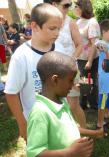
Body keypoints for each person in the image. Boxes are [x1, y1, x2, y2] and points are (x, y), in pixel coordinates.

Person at [4, 3, 64, 141]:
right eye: (52, 28)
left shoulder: (59, 47)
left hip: (60, 118)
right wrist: (22, 124)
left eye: (59, 29)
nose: (57, 33)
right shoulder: (21, 56)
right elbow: (11, 93)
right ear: (34, 26)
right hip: (36, 122)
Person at [27, 51, 104, 157]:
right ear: (55, 80)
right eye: (71, 80)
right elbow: (35, 153)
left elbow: (68, 128)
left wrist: (93, 133)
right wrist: (69, 153)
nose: (73, 85)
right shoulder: (40, 113)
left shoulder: (62, 101)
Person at [47, 0, 86, 128]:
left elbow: (80, 45)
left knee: (73, 105)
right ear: (54, 5)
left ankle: (85, 132)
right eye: (66, 5)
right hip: (51, 70)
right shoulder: (45, 22)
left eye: (70, 5)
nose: (69, 8)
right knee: (56, 105)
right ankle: (64, 133)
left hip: (69, 69)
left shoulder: (71, 22)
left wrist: (71, 60)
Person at [74, 0, 100, 109]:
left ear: (83, 8)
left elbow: (94, 44)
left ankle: (93, 105)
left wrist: (89, 61)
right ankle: (83, 104)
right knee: (84, 81)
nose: (74, 8)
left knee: (90, 82)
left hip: (90, 59)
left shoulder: (92, 22)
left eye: (76, 6)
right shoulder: (79, 21)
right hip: (81, 58)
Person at [95, 19, 109, 128]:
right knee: (103, 101)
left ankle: (107, 115)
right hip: (106, 79)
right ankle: (100, 122)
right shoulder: (102, 44)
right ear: (104, 32)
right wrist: (106, 50)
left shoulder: (108, 44)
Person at [0, 23, 7, 93]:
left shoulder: (0, 24)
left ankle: (5, 67)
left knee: (3, 56)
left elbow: (4, 33)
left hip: (1, 43)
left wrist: (6, 41)